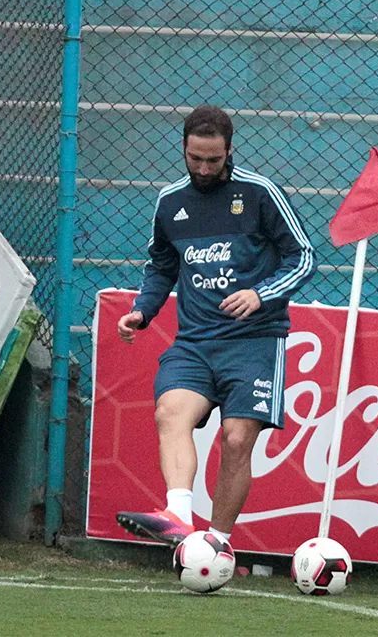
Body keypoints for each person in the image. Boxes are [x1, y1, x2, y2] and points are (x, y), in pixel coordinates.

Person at [115, 105, 316, 548]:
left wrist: (260, 293)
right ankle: (179, 517)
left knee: (236, 437)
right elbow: (162, 265)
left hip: (255, 341)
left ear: (230, 150)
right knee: (170, 413)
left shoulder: (260, 193)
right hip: (195, 343)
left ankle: (217, 543)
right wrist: (142, 311)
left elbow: (303, 256)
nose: (204, 168)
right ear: (183, 149)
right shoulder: (170, 202)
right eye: (195, 159)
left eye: (214, 159)